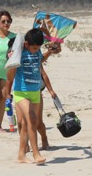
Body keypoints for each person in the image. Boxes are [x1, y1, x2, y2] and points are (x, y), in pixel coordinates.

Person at [5, 28, 57, 164]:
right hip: (21, 92)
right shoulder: (18, 54)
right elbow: (9, 77)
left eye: (38, 47)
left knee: (24, 124)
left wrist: (49, 53)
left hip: (35, 92)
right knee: (32, 120)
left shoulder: (37, 51)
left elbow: (39, 60)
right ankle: (36, 154)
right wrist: (12, 63)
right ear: (26, 44)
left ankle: (21, 155)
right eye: (34, 47)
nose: (36, 50)